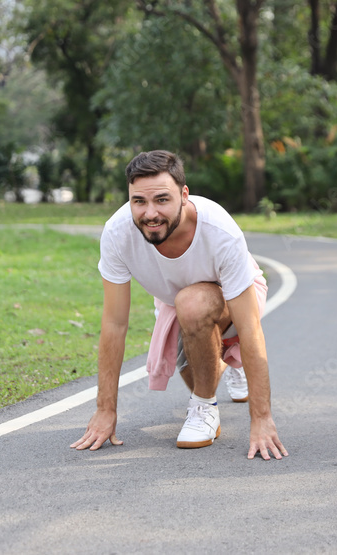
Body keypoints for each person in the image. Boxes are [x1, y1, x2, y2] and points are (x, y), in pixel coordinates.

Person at [71, 150, 287, 460]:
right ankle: (225, 362)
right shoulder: (117, 233)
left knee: (192, 304)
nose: (150, 213)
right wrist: (105, 410)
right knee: (193, 358)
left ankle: (204, 407)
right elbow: (115, 324)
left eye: (162, 200)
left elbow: (251, 327)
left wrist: (262, 418)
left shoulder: (220, 232)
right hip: (175, 304)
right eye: (139, 202)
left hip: (239, 294)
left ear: (184, 195)